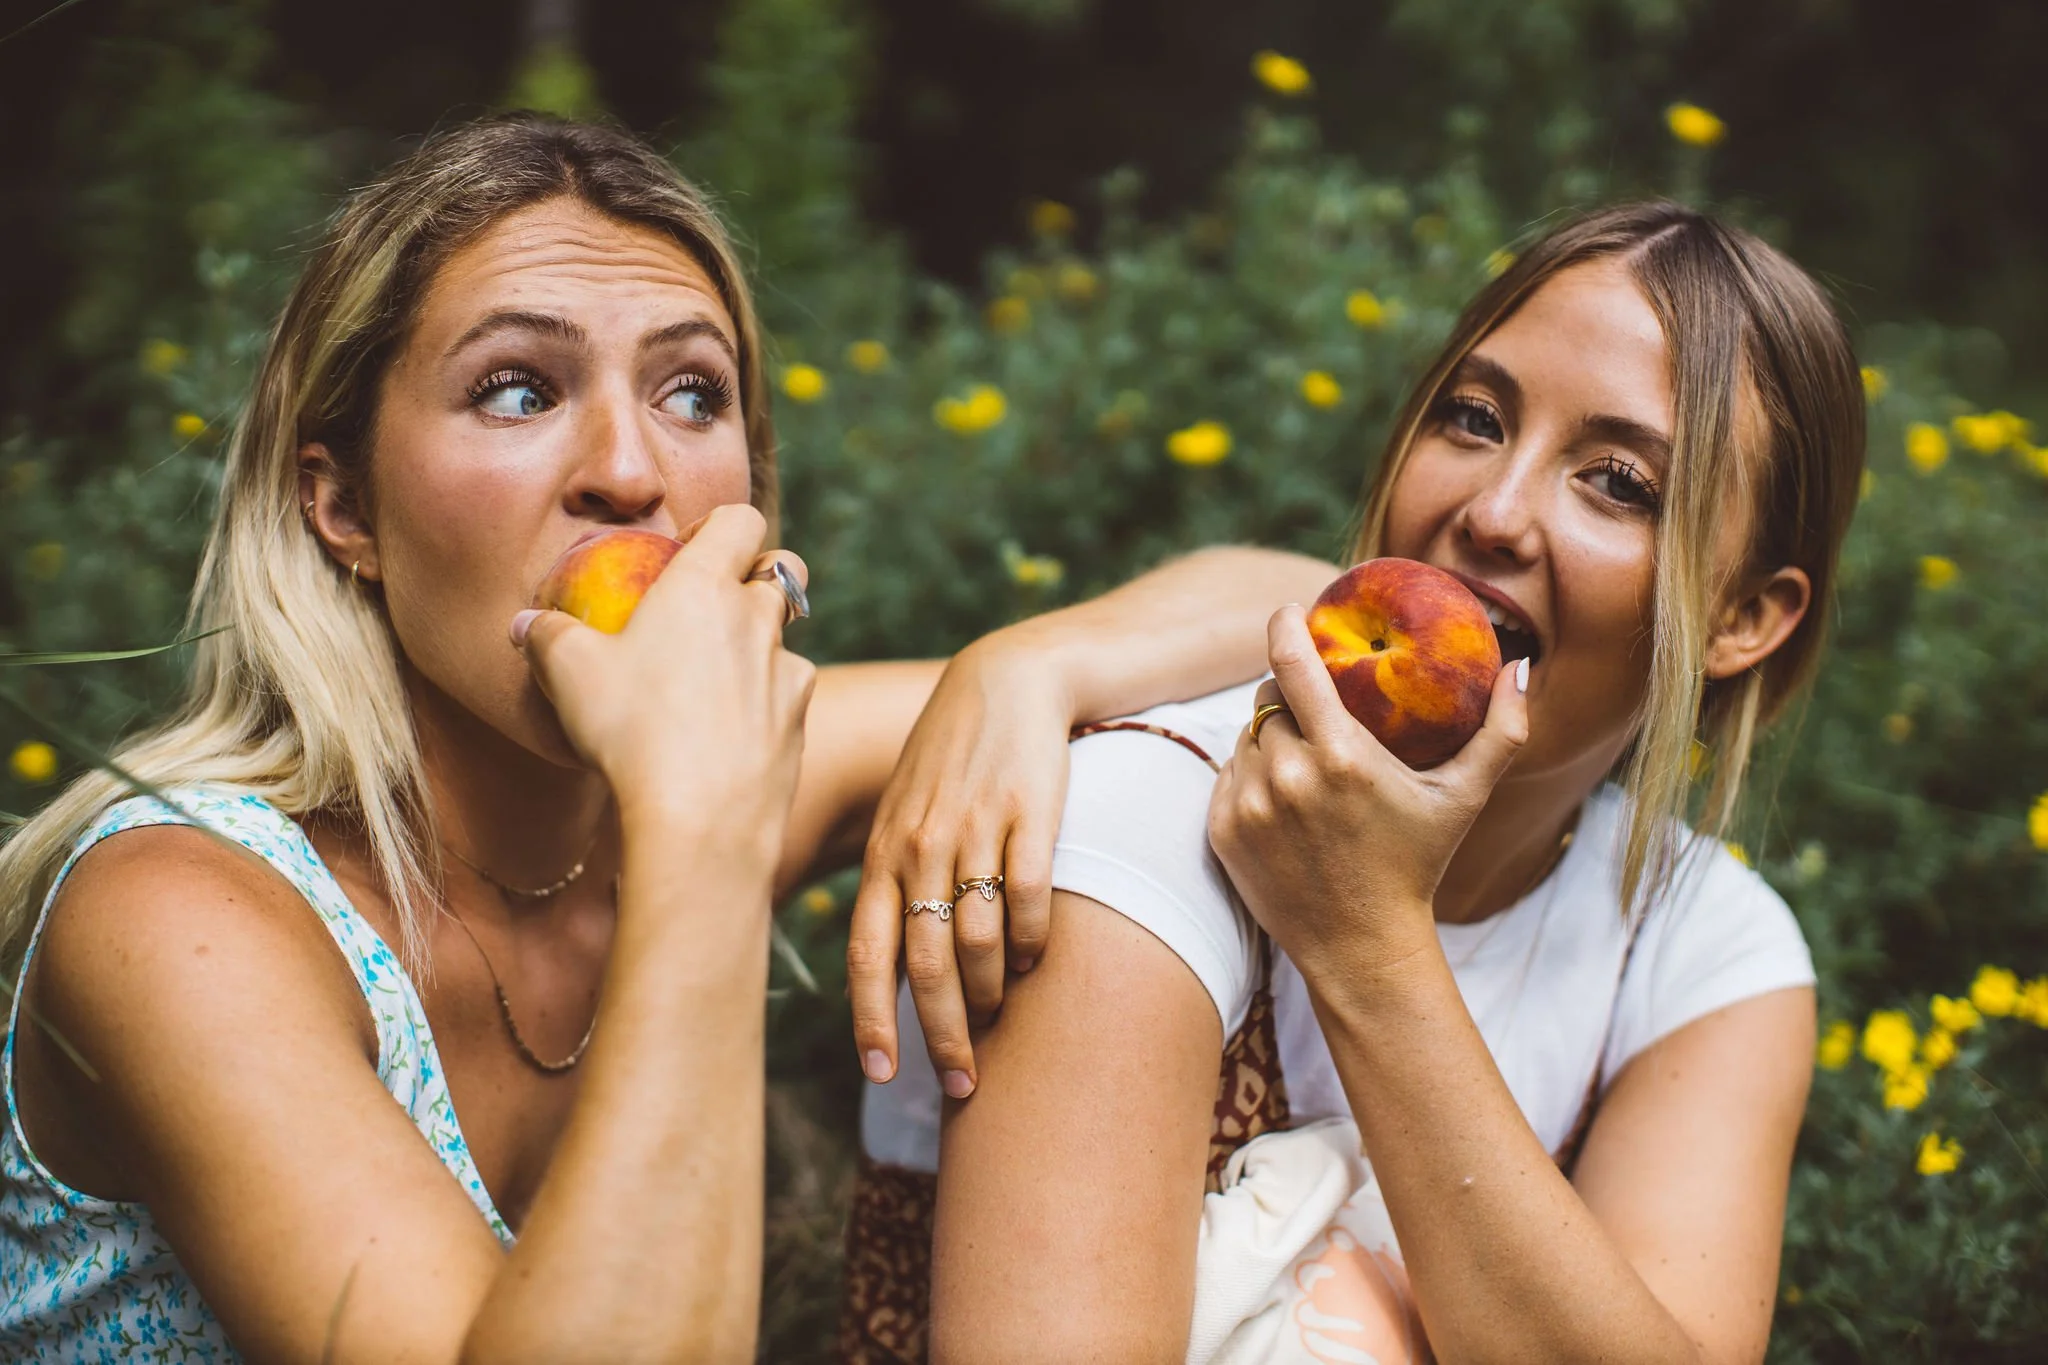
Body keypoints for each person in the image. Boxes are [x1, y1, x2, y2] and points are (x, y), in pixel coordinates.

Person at [0, 114, 1334, 1362]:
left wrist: (1030, 666)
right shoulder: (174, 913)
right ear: (341, 504)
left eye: (694, 396)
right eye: (519, 390)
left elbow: (1295, 597)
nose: (631, 472)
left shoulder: (718, 785)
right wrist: (700, 832)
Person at [848, 200, 1864, 1364]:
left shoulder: (1701, 949)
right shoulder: (1142, 821)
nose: (1489, 512)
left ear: (1742, 617)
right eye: (1473, 418)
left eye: (1617, 483)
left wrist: (1367, 944)